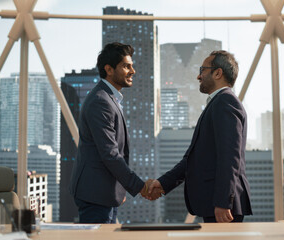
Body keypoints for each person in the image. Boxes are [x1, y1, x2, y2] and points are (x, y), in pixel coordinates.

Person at [148, 50, 252, 223]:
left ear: (218, 73)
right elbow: (194, 158)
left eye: (202, 69)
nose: (198, 76)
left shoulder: (225, 102)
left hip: (223, 207)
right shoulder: (218, 103)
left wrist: (223, 201)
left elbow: (230, 157)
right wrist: (164, 183)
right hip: (216, 204)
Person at [70, 42, 151, 223]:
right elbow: (110, 153)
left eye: (132, 65)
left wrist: (119, 189)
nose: (133, 71)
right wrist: (139, 187)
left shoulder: (109, 98)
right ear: (109, 69)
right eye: (126, 66)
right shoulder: (101, 101)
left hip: (104, 193)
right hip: (95, 195)